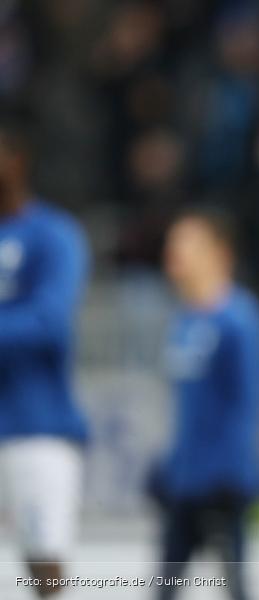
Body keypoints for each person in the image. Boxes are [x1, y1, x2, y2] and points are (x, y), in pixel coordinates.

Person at [152, 210, 259, 600]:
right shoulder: (184, 320)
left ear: (219, 253)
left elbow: (250, 404)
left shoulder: (240, 319)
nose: (175, 253)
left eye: (186, 243)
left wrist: (233, 476)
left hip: (222, 483)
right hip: (186, 481)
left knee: (234, 585)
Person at [0, 122, 90, 597]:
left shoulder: (53, 234)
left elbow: (51, 322)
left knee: (44, 565)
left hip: (37, 427)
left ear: (19, 160)